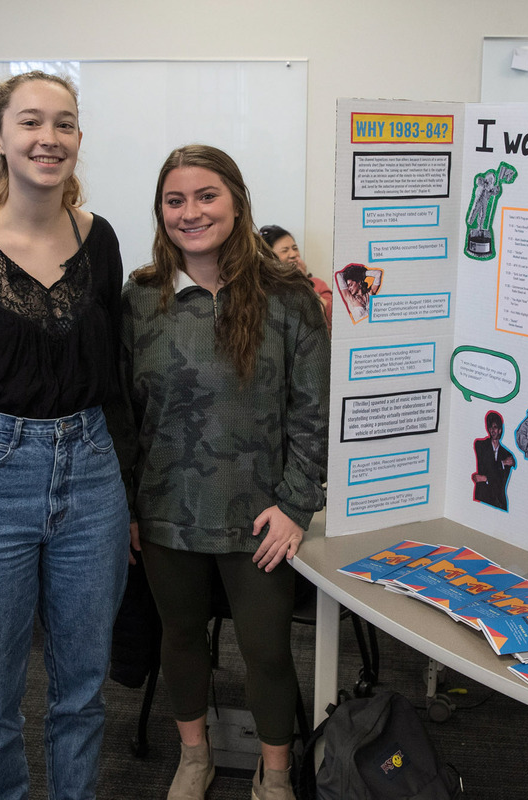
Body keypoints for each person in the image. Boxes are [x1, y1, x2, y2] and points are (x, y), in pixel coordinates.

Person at [0, 71, 128, 800]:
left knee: (81, 690)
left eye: (64, 123)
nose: (49, 138)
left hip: (93, 474)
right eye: (31, 122)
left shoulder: (103, 242)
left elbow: (115, 371)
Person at [114, 145, 329, 800]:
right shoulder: (141, 298)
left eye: (206, 196)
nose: (191, 212)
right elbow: (123, 413)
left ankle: (276, 772)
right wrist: (127, 506)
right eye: (174, 200)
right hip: (166, 510)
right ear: (160, 211)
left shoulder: (288, 296)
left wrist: (295, 505)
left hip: (260, 516)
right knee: (179, 638)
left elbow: (312, 411)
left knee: (265, 652)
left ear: (235, 200)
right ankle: (194, 756)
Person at [259, 224, 332, 329]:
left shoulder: (317, 284)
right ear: (268, 258)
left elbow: (330, 317)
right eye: (285, 250)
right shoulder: (262, 289)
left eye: (295, 248)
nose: (293, 254)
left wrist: (303, 283)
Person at [472, 410, 516, 509]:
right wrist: (502, 464)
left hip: (498, 501)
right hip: (482, 497)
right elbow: (486, 465)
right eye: (490, 427)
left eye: (495, 427)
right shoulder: (480, 445)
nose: (492, 430)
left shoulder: (507, 454)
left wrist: (485, 478)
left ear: (500, 430)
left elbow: (501, 481)